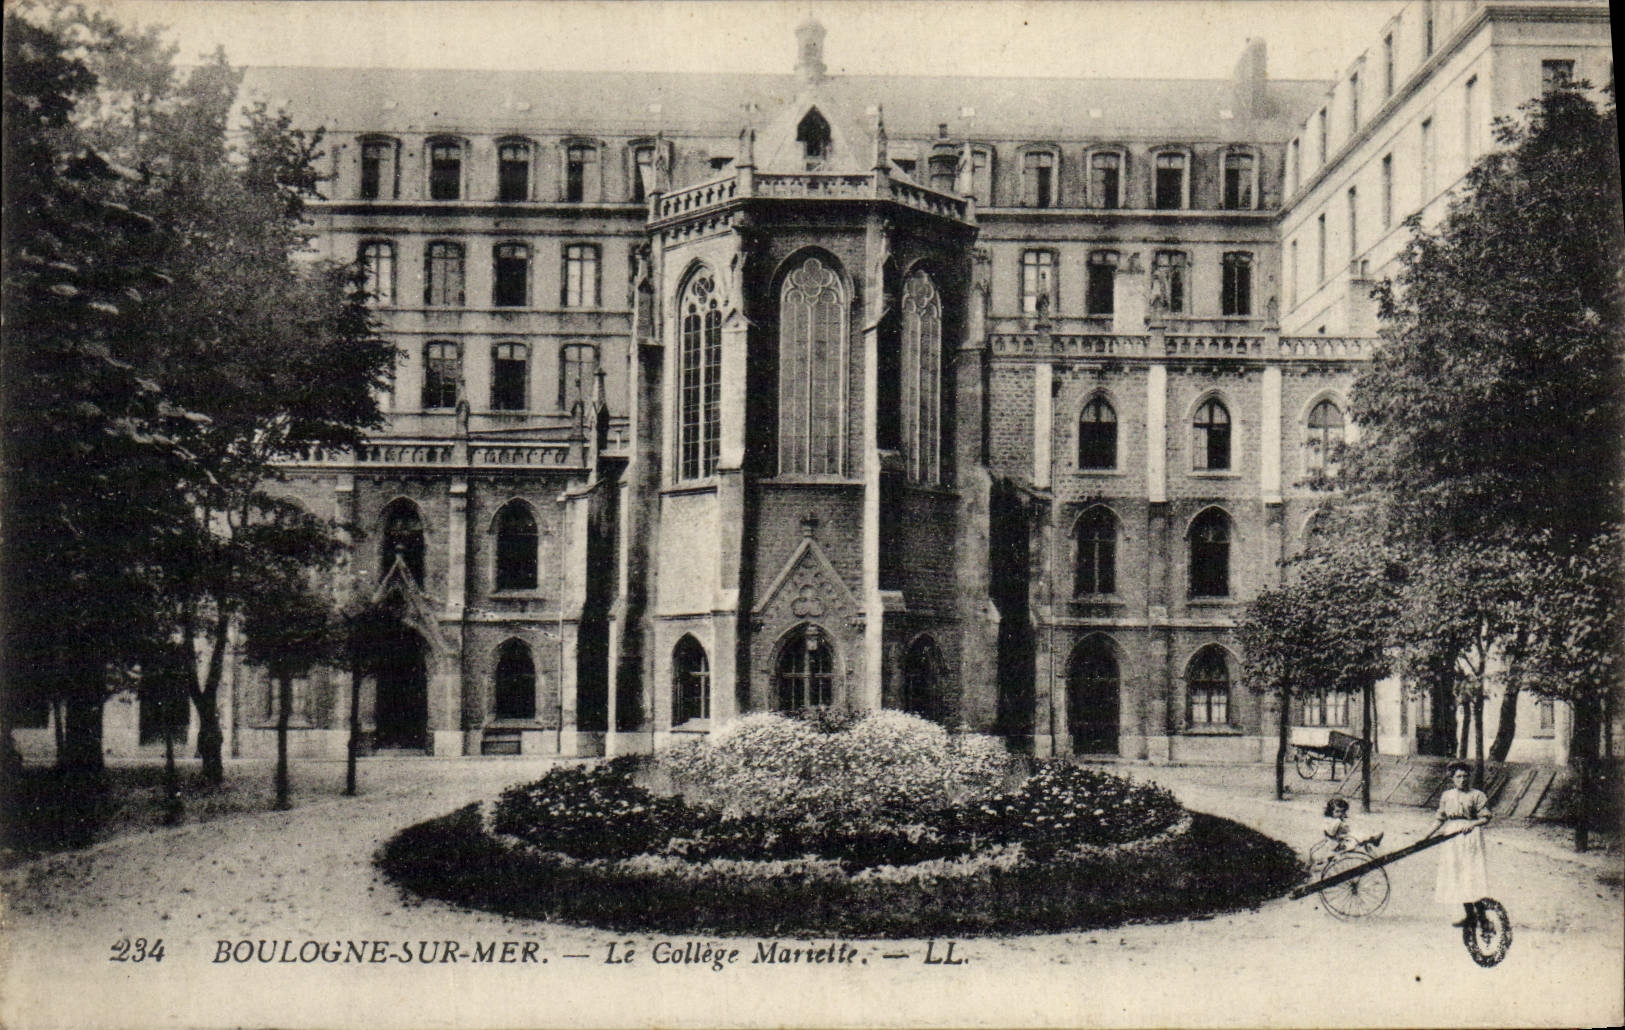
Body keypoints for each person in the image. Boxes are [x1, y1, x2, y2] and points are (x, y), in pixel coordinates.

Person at [1425, 760, 1494, 927]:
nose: (1462, 779)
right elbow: (1440, 818)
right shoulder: (1447, 796)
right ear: (1452, 778)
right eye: (1458, 776)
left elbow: (1486, 817)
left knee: (1470, 875)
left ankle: (1483, 918)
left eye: (1465, 776)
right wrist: (1425, 836)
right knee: (1457, 875)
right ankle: (1470, 915)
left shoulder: (1477, 795)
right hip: (1452, 838)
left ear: (1469, 777)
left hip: (1470, 837)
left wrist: (1472, 823)